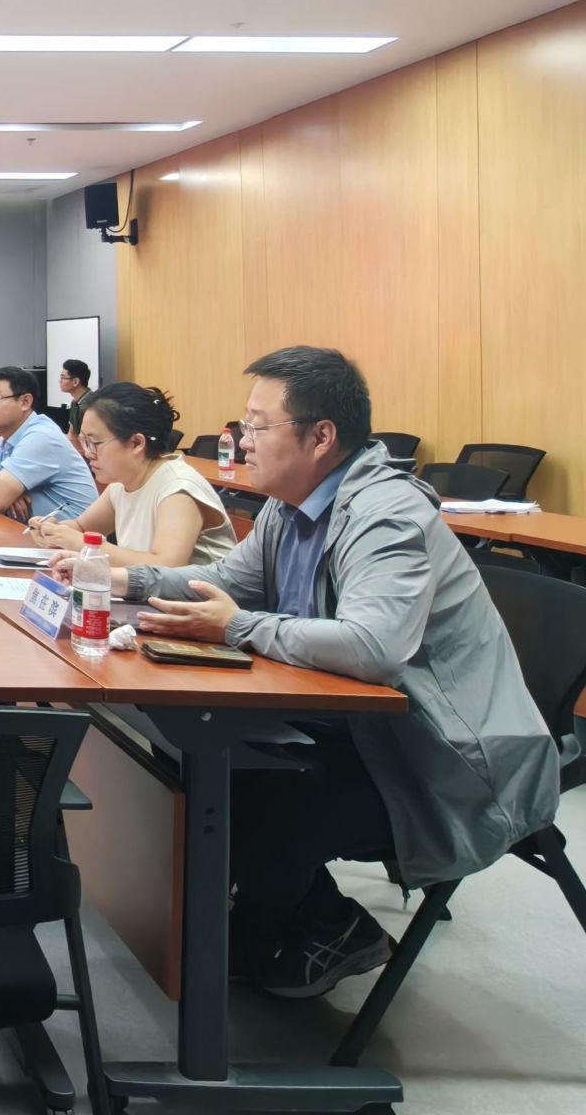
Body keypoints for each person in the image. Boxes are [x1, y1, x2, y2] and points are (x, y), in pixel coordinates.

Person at [91, 347, 557, 998]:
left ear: (321, 437)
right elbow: (222, 582)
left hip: (443, 763)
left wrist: (237, 627)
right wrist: (119, 579)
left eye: (257, 426)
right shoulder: (290, 505)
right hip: (364, 730)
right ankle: (283, 926)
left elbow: (371, 647)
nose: (240, 441)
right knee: (201, 760)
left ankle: (322, 929)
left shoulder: (384, 515)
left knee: (257, 799)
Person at [28, 383, 238, 567]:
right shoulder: (122, 483)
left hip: (197, 598)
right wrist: (53, 531)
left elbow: (166, 567)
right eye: (84, 441)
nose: (87, 453)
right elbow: (81, 527)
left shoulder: (177, 489)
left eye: (94, 443)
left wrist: (78, 542)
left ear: (136, 443)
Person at [0, 365, 97, 524]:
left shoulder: (40, 437)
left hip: (73, 535)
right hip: (36, 531)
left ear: (25, 401)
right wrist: (4, 487)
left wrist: (3, 489)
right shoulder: (7, 437)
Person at [60, 359, 94, 438]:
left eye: (63, 378)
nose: (59, 381)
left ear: (75, 382)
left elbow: (87, 439)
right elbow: (72, 434)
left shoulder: (90, 405)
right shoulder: (75, 402)